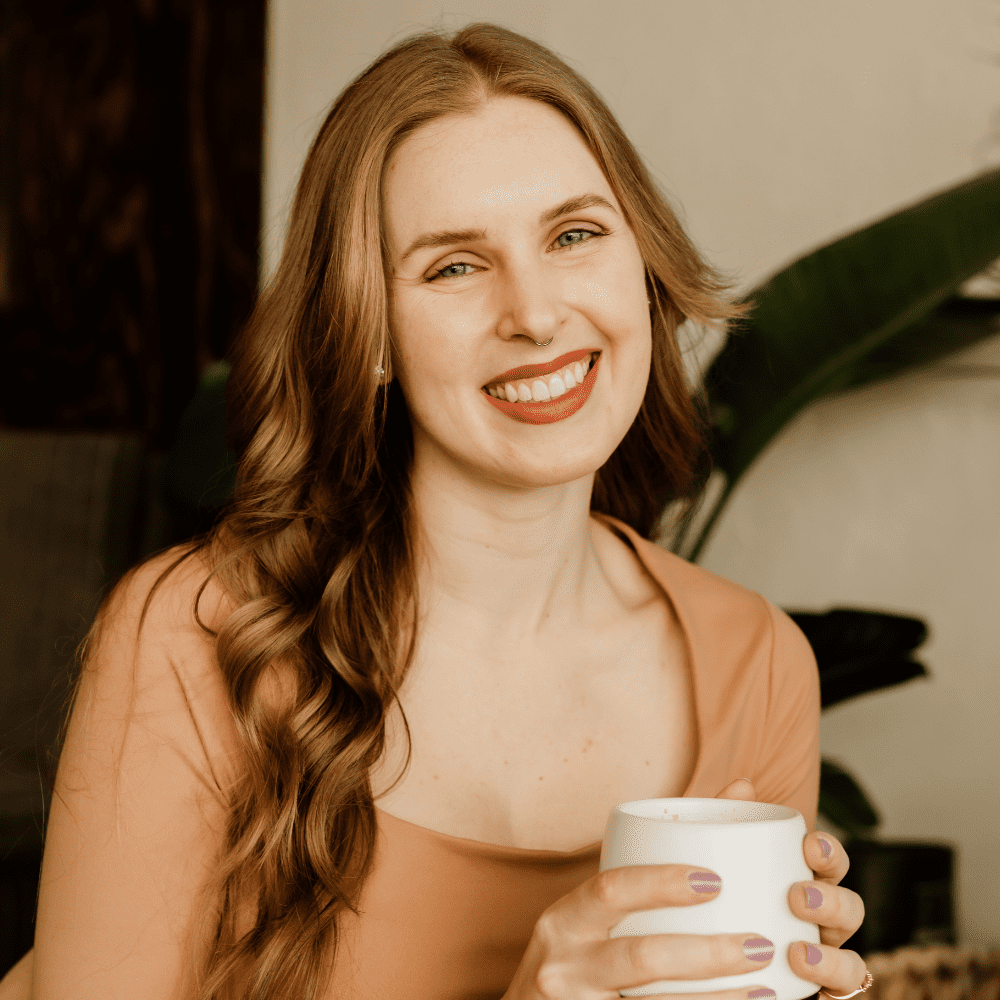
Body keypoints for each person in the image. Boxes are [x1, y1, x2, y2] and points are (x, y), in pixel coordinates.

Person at [2, 22, 867, 1000]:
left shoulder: (755, 662)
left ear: (643, 265)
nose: (535, 313)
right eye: (454, 264)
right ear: (366, 327)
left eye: (574, 234)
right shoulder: (195, 637)